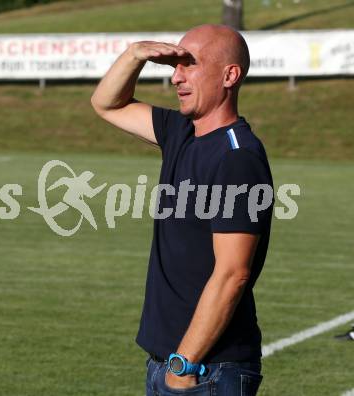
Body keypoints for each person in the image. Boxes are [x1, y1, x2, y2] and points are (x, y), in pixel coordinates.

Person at [91, 24, 273, 396]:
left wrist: (184, 363)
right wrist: (135, 54)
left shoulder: (236, 157)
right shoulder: (182, 132)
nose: (176, 77)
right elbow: (107, 104)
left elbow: (232, 274)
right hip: (172, 363)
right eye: (175, 65)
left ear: (229, 75)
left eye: (189, 65)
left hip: (207, 369)